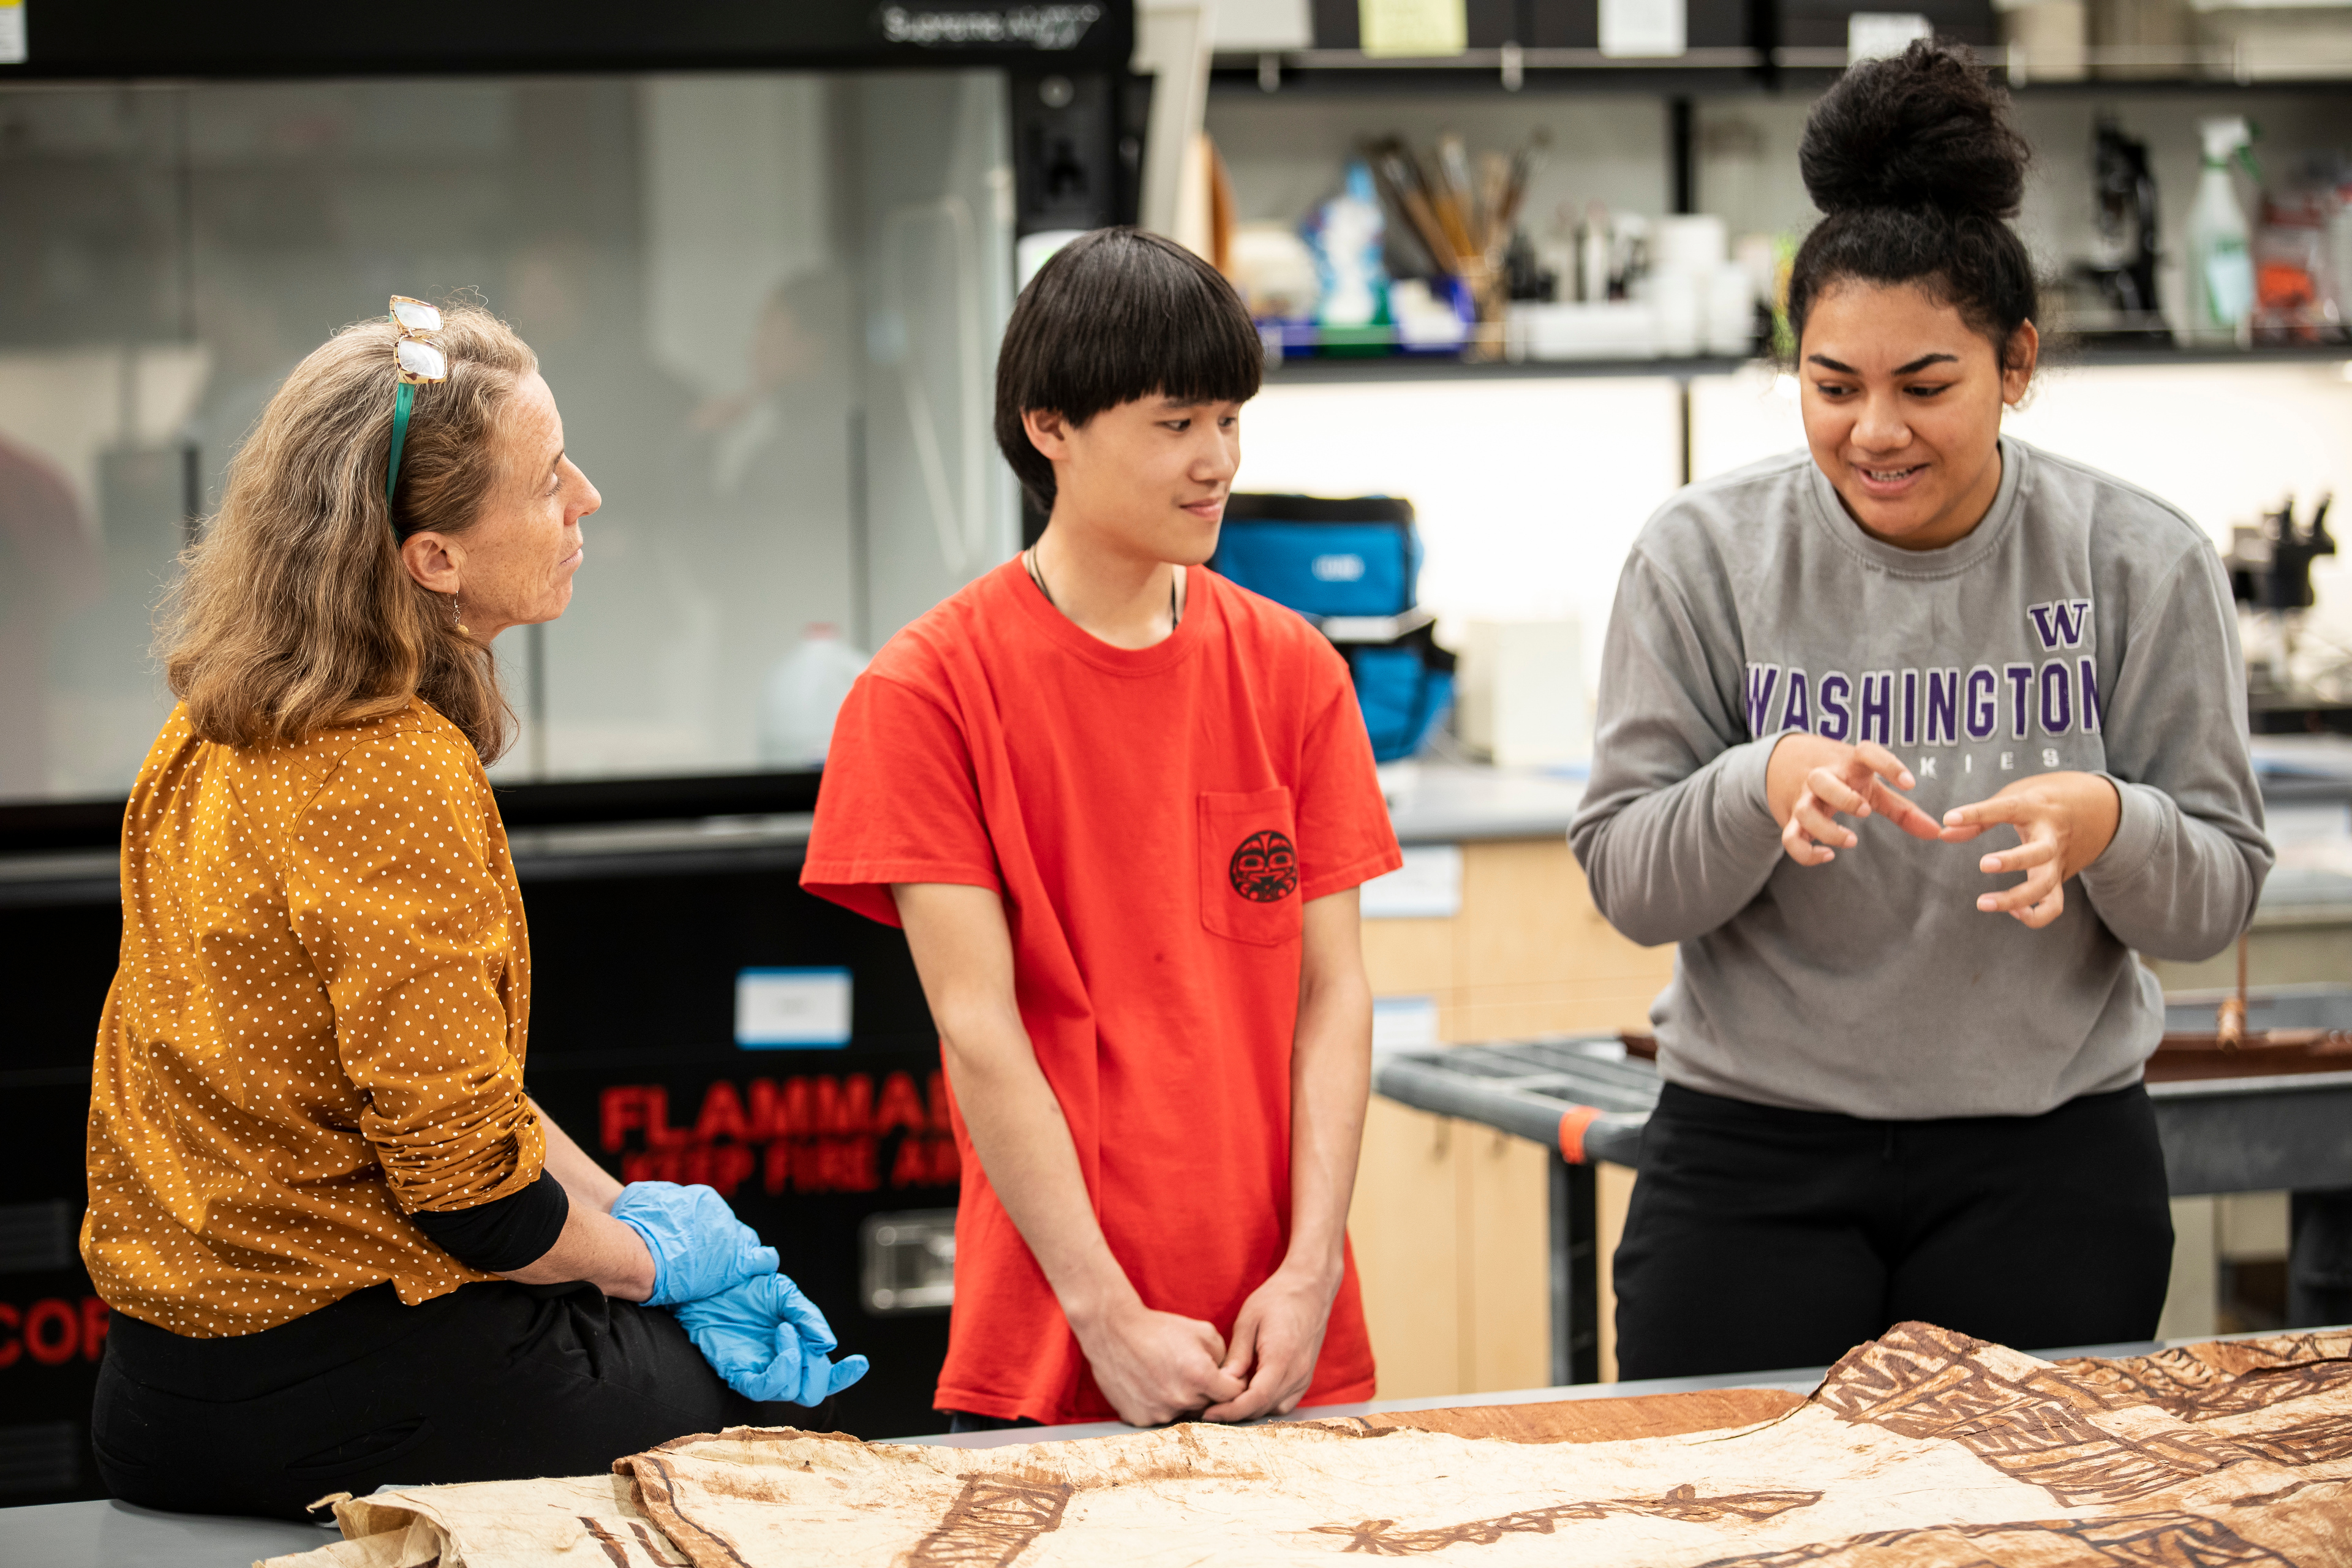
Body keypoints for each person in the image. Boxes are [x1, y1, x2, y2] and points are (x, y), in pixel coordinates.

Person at [85, 299, 864, 1521]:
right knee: (750, 1419)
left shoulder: (206, 728)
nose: (588, 498)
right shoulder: (391, 765)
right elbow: (476, 1198)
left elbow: (445, 1093)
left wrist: (633, 1204)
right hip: (335, 1384)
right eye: (549, 478)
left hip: (158, 1390)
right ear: (433, 558)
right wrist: (665, 1263)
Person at [1569, 42, 2272, 1381]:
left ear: (2017, 362)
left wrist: (2109, 821)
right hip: (1751, 1156)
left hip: (2049, 1161)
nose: (1874, 430)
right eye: (1833, 385)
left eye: (1925, 384)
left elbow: (2215, 898)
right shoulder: (1702, 554)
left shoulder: (2140, 560)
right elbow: (1626, 880)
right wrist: (1755, 784)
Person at [802, 228, 1401, 1430]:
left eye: (1231, 419)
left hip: (1278, 1334)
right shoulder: (926, 693)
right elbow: (980, 1030)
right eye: (1176, 423)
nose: (1217, 461)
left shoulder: (1294, 671)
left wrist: (1311, 1266)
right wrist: (1103, 1310)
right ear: (1050, 426)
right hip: (1060, 1344)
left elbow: (1334, 994)